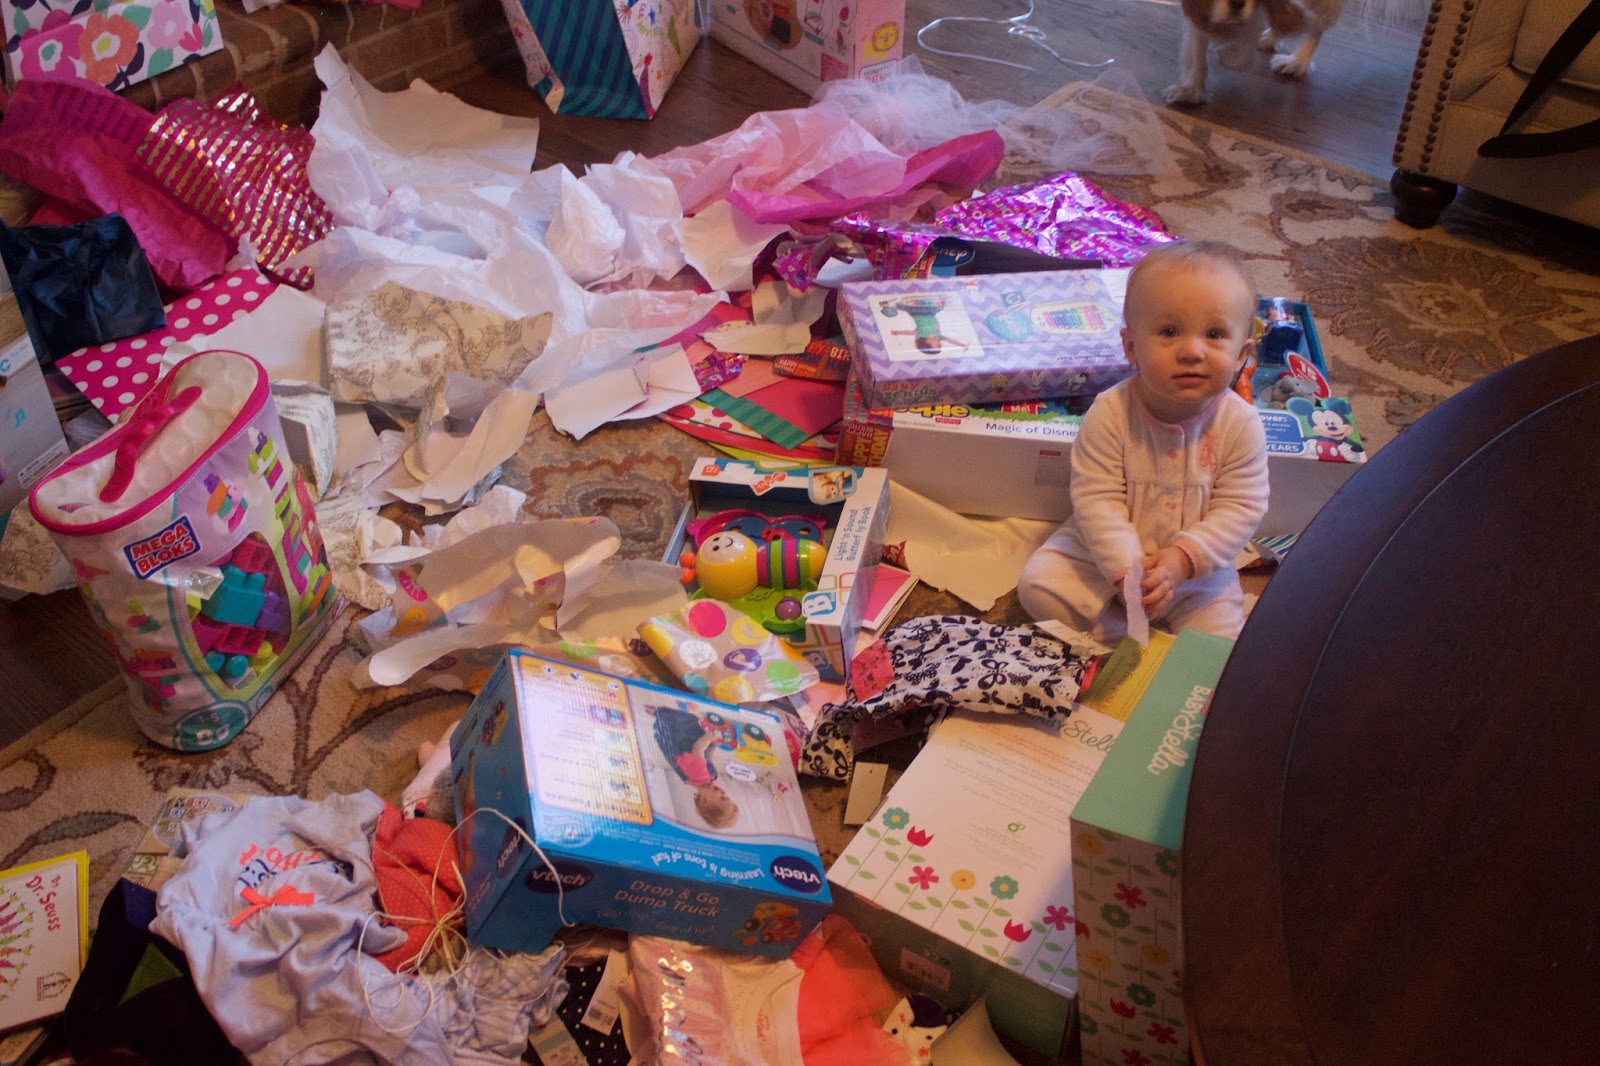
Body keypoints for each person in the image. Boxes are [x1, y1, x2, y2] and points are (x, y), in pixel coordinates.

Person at [1018, 240, 1269, 641]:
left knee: (1221, 642)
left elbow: (1241, 507)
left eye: (1215, 334)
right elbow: (1096, 498)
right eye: (1169, 332)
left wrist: (1183, 560)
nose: (1192, 350)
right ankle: (1125, 637)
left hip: (1197, 571)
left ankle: (1147, 643)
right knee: (1039, 585)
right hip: (1100, 556)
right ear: (1131, 347)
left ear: (1242, 355)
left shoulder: (1241, 424)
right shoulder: (1110, 411)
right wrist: (1125, 570)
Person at [650, 703, 741, 829]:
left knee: (690, 723)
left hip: (679, 738)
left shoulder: (698, 776)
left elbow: (698, 748)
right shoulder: (708, 778)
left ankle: (658, 712)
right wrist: (713, 746)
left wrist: (708, 739)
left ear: (705, 801)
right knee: (701, 732)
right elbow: (708, 760)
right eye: (727, 796)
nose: (724, 792)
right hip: (683, 743)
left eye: (722, 798)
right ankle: (661, 714)